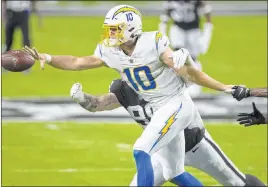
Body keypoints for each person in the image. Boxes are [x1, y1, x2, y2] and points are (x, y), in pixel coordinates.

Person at [23, 5, 239, 186]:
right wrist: (48, 57)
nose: (111, 34)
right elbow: (78, 62)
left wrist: (223, 87)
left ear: (131, 29)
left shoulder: (153, 42)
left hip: (176, 103)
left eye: (116, 29)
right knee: (174, 172)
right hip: (158, 109)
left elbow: (190, 74)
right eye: (110, 29)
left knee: (140, 149)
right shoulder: (111, 51)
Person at [70, 81, 266, 186]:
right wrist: (82, 98)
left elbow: (193, 75)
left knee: (236, 182)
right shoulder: (122, 90)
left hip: (195, 144)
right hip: (163, 150)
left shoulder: (165, 81)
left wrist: (245, 91)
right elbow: (98, 104)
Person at [159, 0, 213, 97]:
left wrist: (207, 30)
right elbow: (166, 14)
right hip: (178, 28)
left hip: (193, 29)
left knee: (192, 57)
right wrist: (163, 29)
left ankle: (195, 83)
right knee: (177, 57)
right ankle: (179, 84)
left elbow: (206, 10)